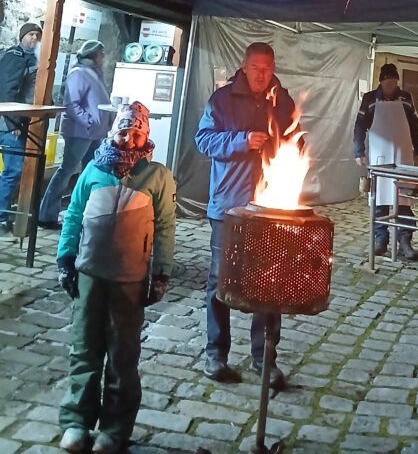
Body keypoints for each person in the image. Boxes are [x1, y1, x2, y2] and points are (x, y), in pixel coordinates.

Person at [56, 100, 176, 454]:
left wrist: (161, 271)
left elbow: (165, 225)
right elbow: (74, 214)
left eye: (136, 134)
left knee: (123, 354)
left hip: (129, 277)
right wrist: (65, 257)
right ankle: (76, 422)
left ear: (145, 137)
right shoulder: (94, 170)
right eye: (123, 132)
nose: (129, 139)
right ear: (113, 133)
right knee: (84, 347)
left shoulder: (156, 176)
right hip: (90, 272)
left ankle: (114, 428)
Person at [194, 42, 295, 388]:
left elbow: (295, 138)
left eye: (267, 68)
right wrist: (241, 141)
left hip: (270, 208)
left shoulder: (283, 101)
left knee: (271, 283)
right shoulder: (221, 101)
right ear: (244, 66)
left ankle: (264, 359)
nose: (262, 75)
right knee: (219, 281)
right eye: (256, 68)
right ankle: (215, 354)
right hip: (229, 207)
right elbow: (203, 141)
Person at [353, 63, 418, 260]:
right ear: (381, 82)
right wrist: (359, 151)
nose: (391, 86)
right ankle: (381, 240)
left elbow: (415, 126)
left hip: (403, 156)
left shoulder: (406, 98)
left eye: (393, 82)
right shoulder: (370, 99)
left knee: (404, 199)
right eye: (387, 83)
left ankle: (405, 240)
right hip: (380, 157)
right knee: (380, 200)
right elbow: (360, 126)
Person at [39, 39, 113, 229]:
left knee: (89, 172)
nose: (103, 57)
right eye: (101, 53)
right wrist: (89, 122)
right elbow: (72, 104)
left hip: (94, 132)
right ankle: (47, 214)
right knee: (67, 170)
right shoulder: (79, 73)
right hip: (80, 131)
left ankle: (80, 213)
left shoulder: (95, 73)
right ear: (93, 54)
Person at [0, 21, 43, 233]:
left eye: (37, 35)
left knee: (13, 169)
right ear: (22, 36)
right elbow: (7, 90)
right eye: (30, 34)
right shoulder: (15, 56)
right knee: (13, 170)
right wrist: (14, 121)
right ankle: (0, 217)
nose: (34, 38)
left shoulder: (30, 57)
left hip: (15, 122)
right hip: (8, 124)